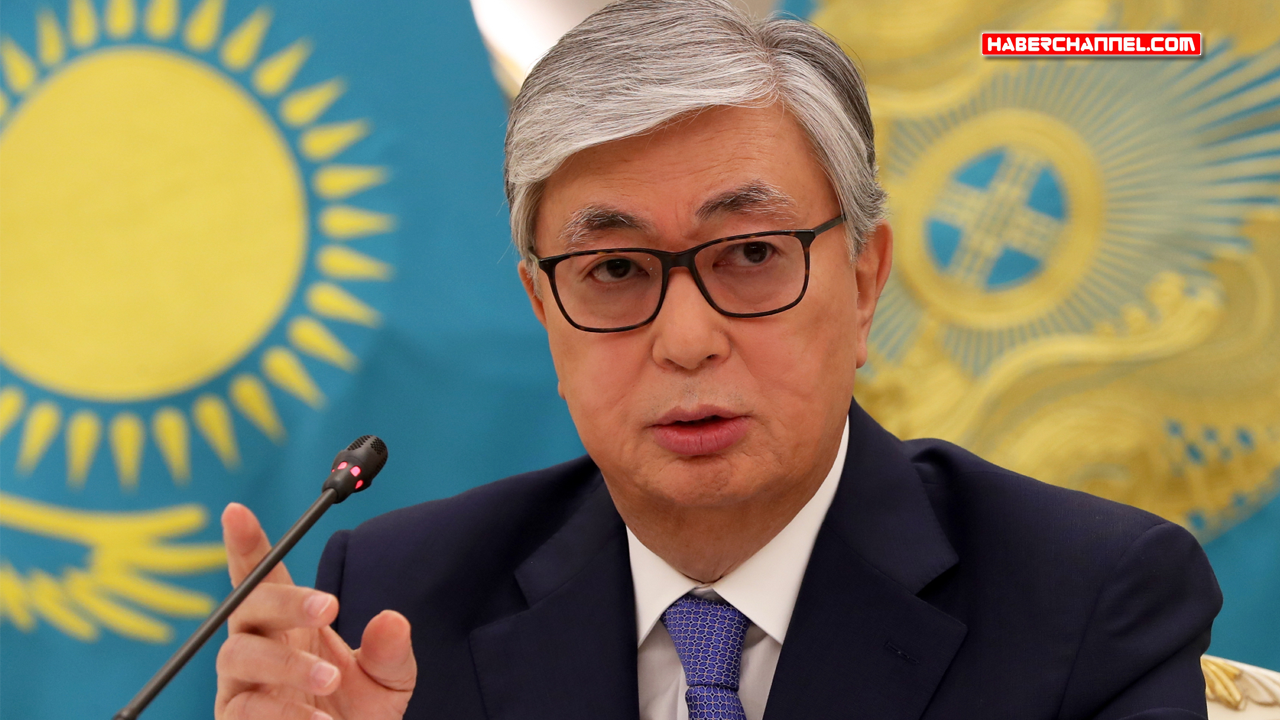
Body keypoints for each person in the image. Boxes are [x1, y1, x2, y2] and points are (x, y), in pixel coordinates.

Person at [212, 1, 1222, 718]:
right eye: (614, 270)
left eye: (749, 256)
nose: (687, 339)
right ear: (544, 309)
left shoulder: (1090, 602)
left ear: (863, 282)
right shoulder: (392, 600)